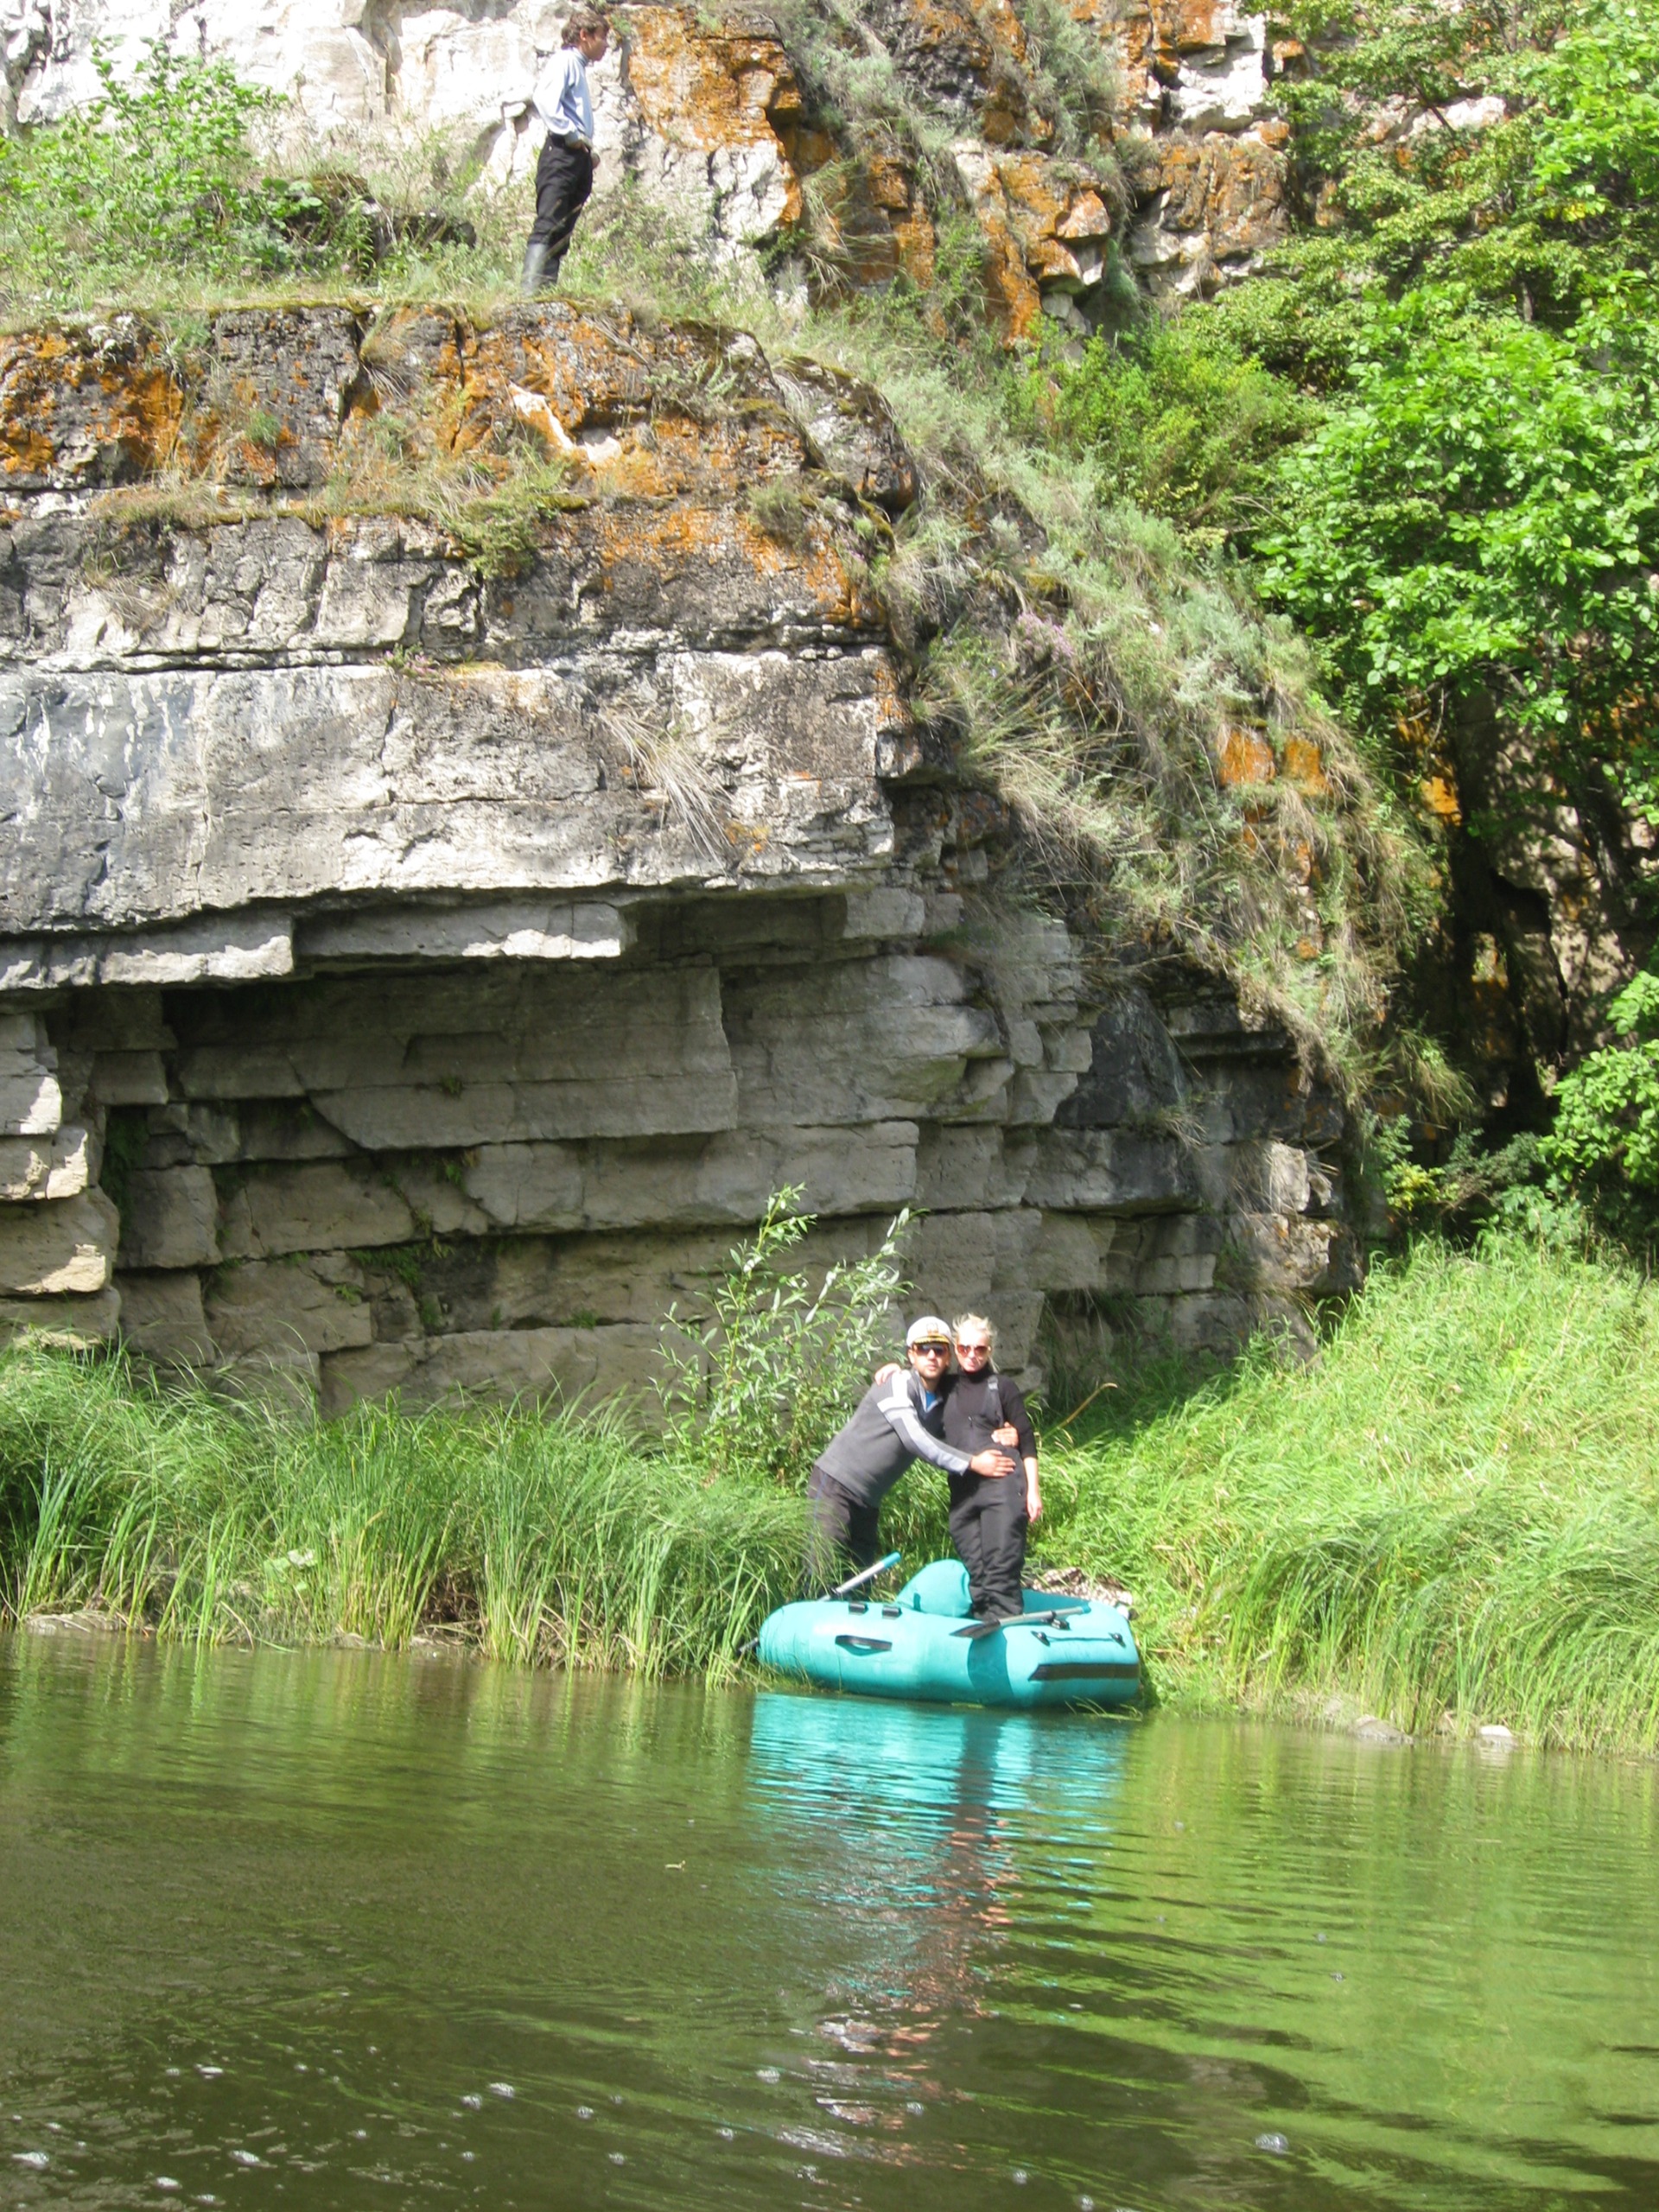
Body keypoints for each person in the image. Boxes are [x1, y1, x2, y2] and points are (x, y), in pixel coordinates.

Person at [807, 1316, 1016, 1584]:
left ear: (948, 1357)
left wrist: (1004, 1432)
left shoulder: (944, 1399)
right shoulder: (897, 1385)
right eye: (922, 1349)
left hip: (869, 1500)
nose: (931, 1355)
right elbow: (915, 1439)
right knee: (820, 1566)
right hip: (834, 1485)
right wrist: (972, 1463)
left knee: (859, 1577)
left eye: (939, 1349)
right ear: (911, 1354)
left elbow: (969, 1426)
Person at [940, 1314, 1040, 1623]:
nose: (972, 1355)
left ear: (990, 1351)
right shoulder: (943, 1387)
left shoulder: (1003, 1387)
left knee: (1001, 1567)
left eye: (980, 1349)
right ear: (955, 1350)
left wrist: (1034, 1492)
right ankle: (985, 1628)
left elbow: (1026, 1440)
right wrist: (891, 1369)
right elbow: (912, 1380)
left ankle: (1008, 1629)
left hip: (1003, 1487)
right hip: (964, 1493)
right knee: (978, 1572)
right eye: (965, 1348)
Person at [521, 10, 610, 297]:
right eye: (603, 37)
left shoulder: (577, 66)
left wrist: (587, 150)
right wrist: (571, 135)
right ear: (584, 36)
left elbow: (572, 111)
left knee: (562, 230)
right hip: (561, 154)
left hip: (575, 157)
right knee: (549, 224)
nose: (606, 45)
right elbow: (544, 99)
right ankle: (529, 297)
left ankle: (545, 296)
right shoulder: (566, 60)